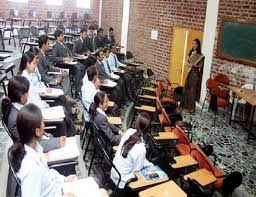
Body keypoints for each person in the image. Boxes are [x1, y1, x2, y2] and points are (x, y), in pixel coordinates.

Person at [11, 103, 77, 196]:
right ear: (37, 131)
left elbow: (47, 173)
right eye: (42, 122)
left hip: (58, 188)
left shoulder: (34, 148)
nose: (44, 125)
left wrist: (63, 179)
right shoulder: (31, 168)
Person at [1, 76, 65, 152]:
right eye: (27, 92)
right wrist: (57, 142)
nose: (28, 95)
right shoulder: (15, 118)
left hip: (40, 139)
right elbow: (29, 145)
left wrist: (45, 134)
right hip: (36, 150)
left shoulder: (20, 107)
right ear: (21, 97)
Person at [111, 112, 154, 189]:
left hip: (114, 171)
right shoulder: (141, 149)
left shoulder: (129, 131)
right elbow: (137, 171)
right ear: (148, 130)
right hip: (123, 181)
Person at [52, 29, 85, 98]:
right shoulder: (55, 46)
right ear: (57, 37)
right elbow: (54, 58)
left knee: (82, 66)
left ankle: (80, 86)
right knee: (78, 68)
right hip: (62, 65)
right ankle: (77, 91)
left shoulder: (64, 44)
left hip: (69, 63)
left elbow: (71, 53)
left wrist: (78, 56)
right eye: (61, 36)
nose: (63, 37)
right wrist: (64, 59)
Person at [181, 38, 204, 114]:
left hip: (195, 74)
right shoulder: (190, 52)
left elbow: (200, 65)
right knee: (186, 89)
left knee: (192, 90)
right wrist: (189, 64)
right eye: (193, 43)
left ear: (198, 45)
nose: (194, 45)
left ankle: (192, 108)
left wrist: (195, 65)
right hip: (190, 72)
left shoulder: (200, 55)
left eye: (195, 44)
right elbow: (187, 62)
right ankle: (185, 106)